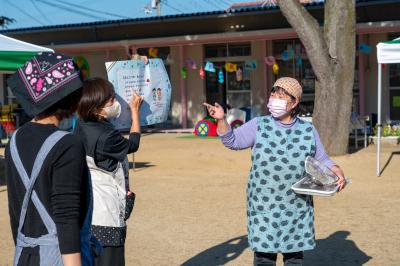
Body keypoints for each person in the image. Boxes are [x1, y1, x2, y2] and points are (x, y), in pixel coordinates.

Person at [204, 77, 346, 266]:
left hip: (296, 206)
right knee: (264, 258)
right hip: (264, 205)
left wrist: (337, 170)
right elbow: (232, 141)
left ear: (294, 102)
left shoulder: (307, 130)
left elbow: (322, 159)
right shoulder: (259, 124)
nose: (274, 99)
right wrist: (221, 120)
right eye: (273, 94)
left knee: (294, 258)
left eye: (281, 96)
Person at [5, 52, 97, 266]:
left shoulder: (15, 140)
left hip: (25, 255)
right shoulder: (67, 144)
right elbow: (66, 217)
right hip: (59, 259)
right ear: (71, 96)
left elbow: (15, 211)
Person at [74, 77, 143, 266]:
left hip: (89, 209)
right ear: (97, 107)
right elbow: (133, 144)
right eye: (111, 99)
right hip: (107, 213)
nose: (115, 101)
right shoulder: (107, 136)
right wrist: (135, 112)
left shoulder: (81, 125)